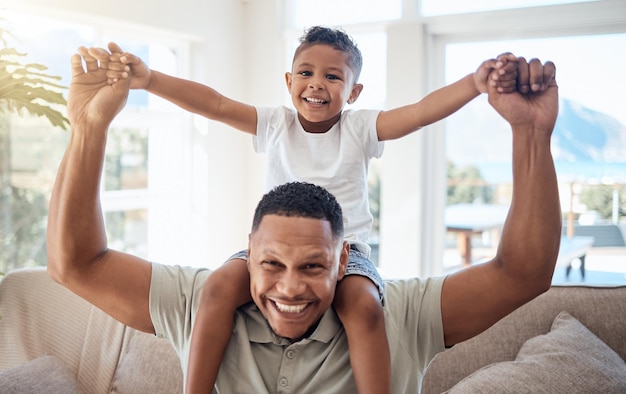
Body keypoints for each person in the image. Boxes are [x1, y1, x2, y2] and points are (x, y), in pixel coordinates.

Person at [47, 42, 560, 393]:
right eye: (270, 264)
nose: (290, 289)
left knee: (362, 305)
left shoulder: (391, 313)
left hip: (359, 260)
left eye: (312, 267)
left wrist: (529, 134)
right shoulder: (204, 300)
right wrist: (89, 128)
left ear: (338, 263)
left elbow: (522, 273)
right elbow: (77, 264)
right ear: (248, 251)